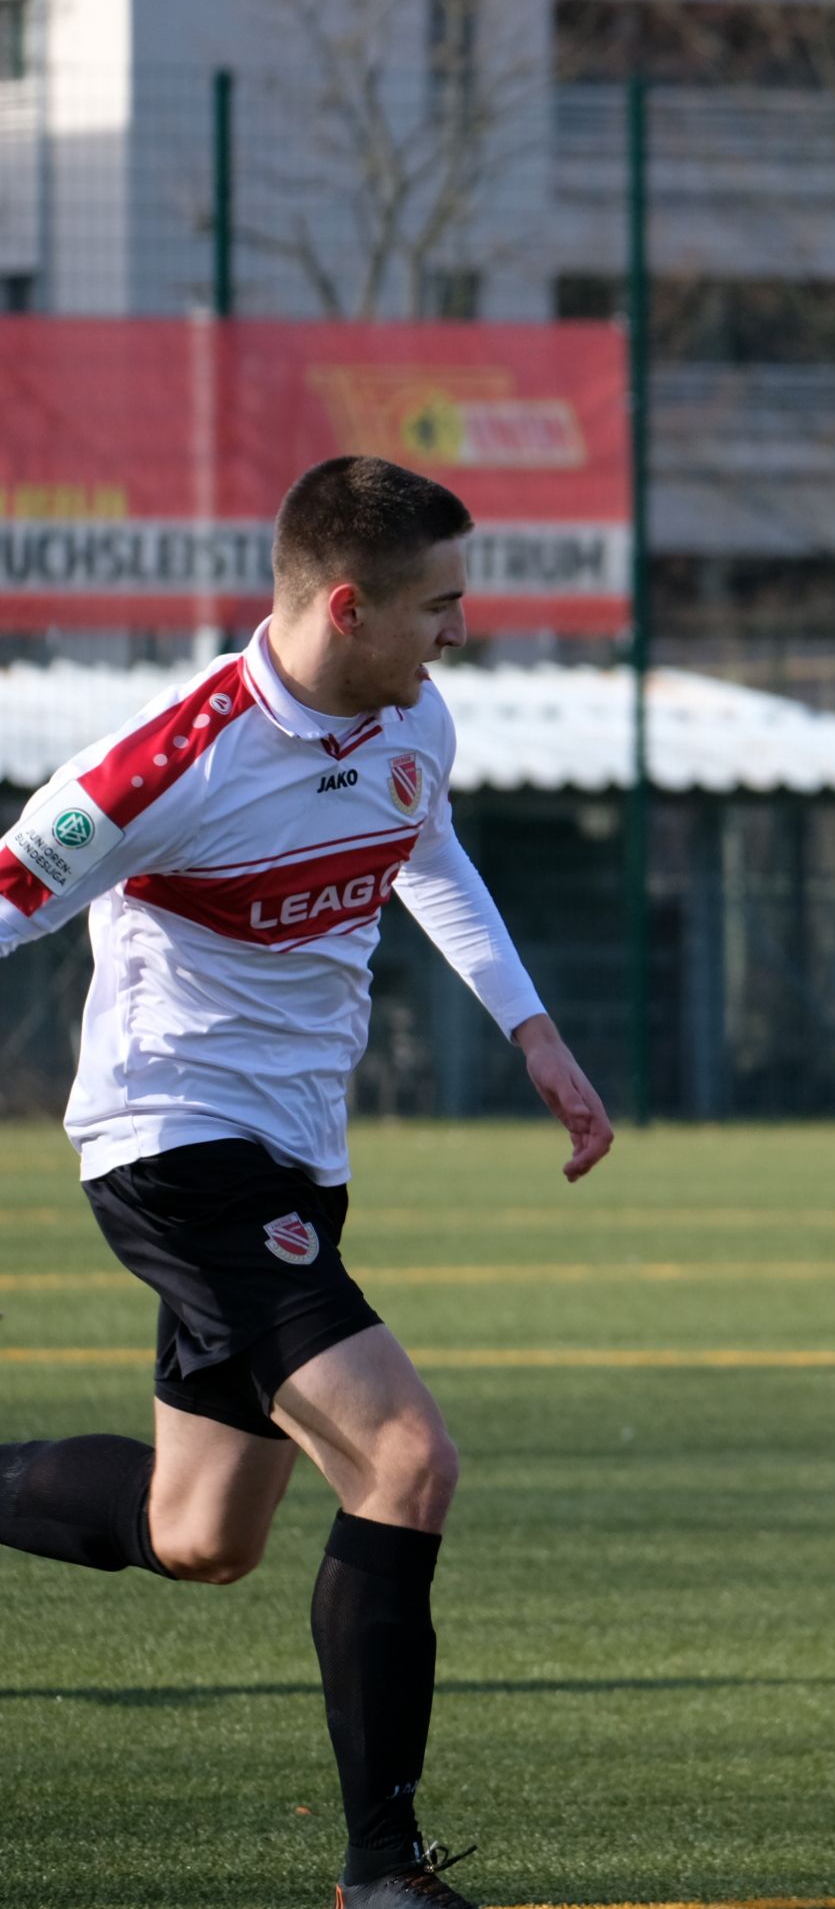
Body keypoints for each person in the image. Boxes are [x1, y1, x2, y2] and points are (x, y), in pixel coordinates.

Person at [0, 457, 613, 1908]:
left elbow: (430, 850)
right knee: (407, 1457)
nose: (457, 633)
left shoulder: (411, 714)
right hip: (175, 1147)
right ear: (349, 605)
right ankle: (381, 1870)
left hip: (294, 1156)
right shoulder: (166, 763)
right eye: (438, 606)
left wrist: (533, 1031)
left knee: (200, 1537)